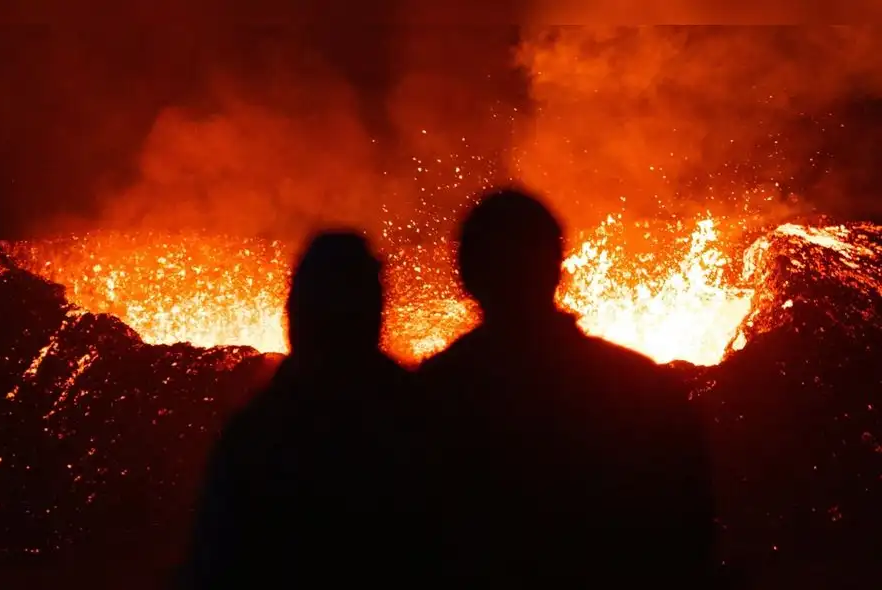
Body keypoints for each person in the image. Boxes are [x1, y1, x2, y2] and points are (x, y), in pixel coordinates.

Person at [416, 188, 716, 588]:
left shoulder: (428, 403)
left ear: (465, 275)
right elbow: (689, 542)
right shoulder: (640, 389)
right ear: (557, 265)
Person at [180, 230, 422, 589]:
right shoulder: (423, 417)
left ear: (295, 311)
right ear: (376, 313)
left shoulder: (258, 434)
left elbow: (215, 563)